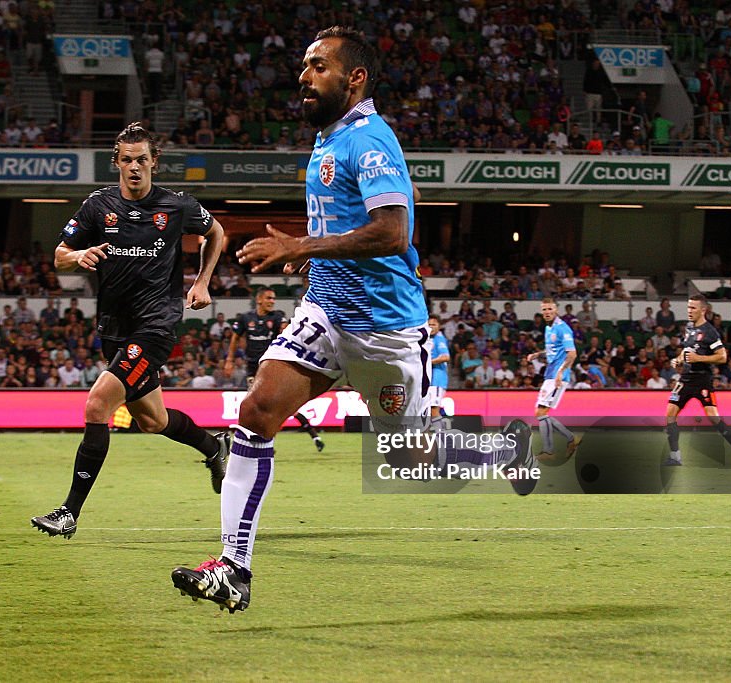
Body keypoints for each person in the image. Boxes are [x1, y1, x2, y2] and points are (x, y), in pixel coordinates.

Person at [170, 26, 533, 614]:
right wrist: (309, 259)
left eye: (318, 66)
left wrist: (301, 248)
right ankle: (234, 569)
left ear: (354, 77)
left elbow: (394, 233)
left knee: (413, 460)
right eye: (304, 66)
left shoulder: (370, 141)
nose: (304, 76)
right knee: (257, 409)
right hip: (328, 314)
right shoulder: (329, 138)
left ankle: (504, 451)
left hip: (386, 330)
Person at [31, 122, 230, 539]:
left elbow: (216, 233)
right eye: (127, 160)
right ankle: (214, 446)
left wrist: (202, 281)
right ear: (117, 163)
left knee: (97, 405)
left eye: (142, 159)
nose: (135, 167)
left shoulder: (176, 206)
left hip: (156, 325)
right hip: (115, 327)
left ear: (154, 161)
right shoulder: (97, 206)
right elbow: (59, 256)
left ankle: (69, 512)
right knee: (153, 421)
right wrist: (80, 253)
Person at [225, 287, 325, 452]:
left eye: (273, 299)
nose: (272, 301)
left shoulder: (277, 317)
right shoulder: (245, 318)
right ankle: (310, 435)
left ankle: (269, 441)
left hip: (272, 366)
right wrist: (229, 360)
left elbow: (286, 329)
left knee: (276, 406)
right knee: (263, 406)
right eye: (269, 298)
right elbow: (235, 338)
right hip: (252, 368)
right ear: (259, 300)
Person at [665, 294, 731, 467]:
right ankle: (675, 456)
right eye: (688, 307)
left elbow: (722, 357)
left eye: (693, 308)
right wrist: (678, 359)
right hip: (685, 380)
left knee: (713, 417)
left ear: (703, 310)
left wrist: (698, 359)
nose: (689, 311)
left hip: (703, 380)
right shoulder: (689, 327)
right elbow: (686, 350)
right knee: (670, 413)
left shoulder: (710, 332)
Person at [526, 298, 579, 463]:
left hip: (557, 376)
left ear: (556, 309)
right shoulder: (549, 328)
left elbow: (572, 354)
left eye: (550, 309)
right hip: (550, 373)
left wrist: (560, 372)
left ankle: (550, 451)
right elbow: (554, 349)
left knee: (540, 413)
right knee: (541, 413)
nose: (547, 312)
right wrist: (538, 354)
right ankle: (571, 439)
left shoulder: (563, 329)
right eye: (544, 310)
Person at [426, 313, 451, 428]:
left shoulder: (439, 338)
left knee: (433, 408)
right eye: (429, 324)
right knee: (426, 409)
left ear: (439, 326)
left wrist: (427, 362)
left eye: (434, 324)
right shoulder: (427, 339)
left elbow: (446, 357)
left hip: (437, 378)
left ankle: (440, 435)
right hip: (428, 378)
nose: (431, 327)